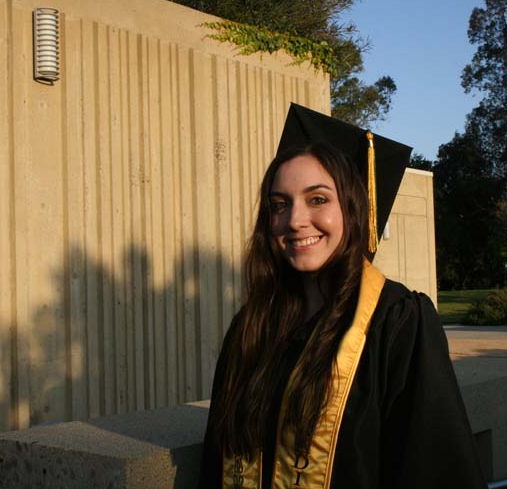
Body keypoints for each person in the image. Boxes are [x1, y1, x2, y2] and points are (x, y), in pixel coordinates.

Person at [199, 104, 487, 489]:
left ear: (352, 211)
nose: (295, 220)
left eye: (317, 199)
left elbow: (435, 469)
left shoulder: (396, 321)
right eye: (279, 205)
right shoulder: (252, 327)